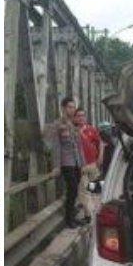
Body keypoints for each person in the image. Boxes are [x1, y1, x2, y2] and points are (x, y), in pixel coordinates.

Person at [43, 97, 88, 227]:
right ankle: (69, 220)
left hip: (76, 162)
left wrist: (83, 163)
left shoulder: (74, 125)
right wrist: (56, 166)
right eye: (69, 107)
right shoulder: (58, 125)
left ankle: (72, 217)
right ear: (63, 108)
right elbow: (56, 146)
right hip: (66, 162)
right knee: (72, 188)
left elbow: (79, 146)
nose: (72, 109)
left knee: (74, 191)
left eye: (73, 107)